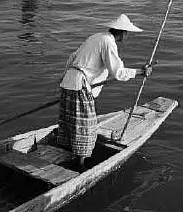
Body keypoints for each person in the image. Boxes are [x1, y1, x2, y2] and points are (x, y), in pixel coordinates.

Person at [57, 14, 153, 170]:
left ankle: (70, 154)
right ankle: (79, 166)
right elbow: (118, 72)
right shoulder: (108, 42)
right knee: (86, 127)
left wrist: (64, 80)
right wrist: (140, 72)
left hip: (69, 82)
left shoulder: (96, 37)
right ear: (121, 32)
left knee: (70, 122)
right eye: (127, 33)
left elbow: (72, 57)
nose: (127, 36)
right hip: (80, 85)